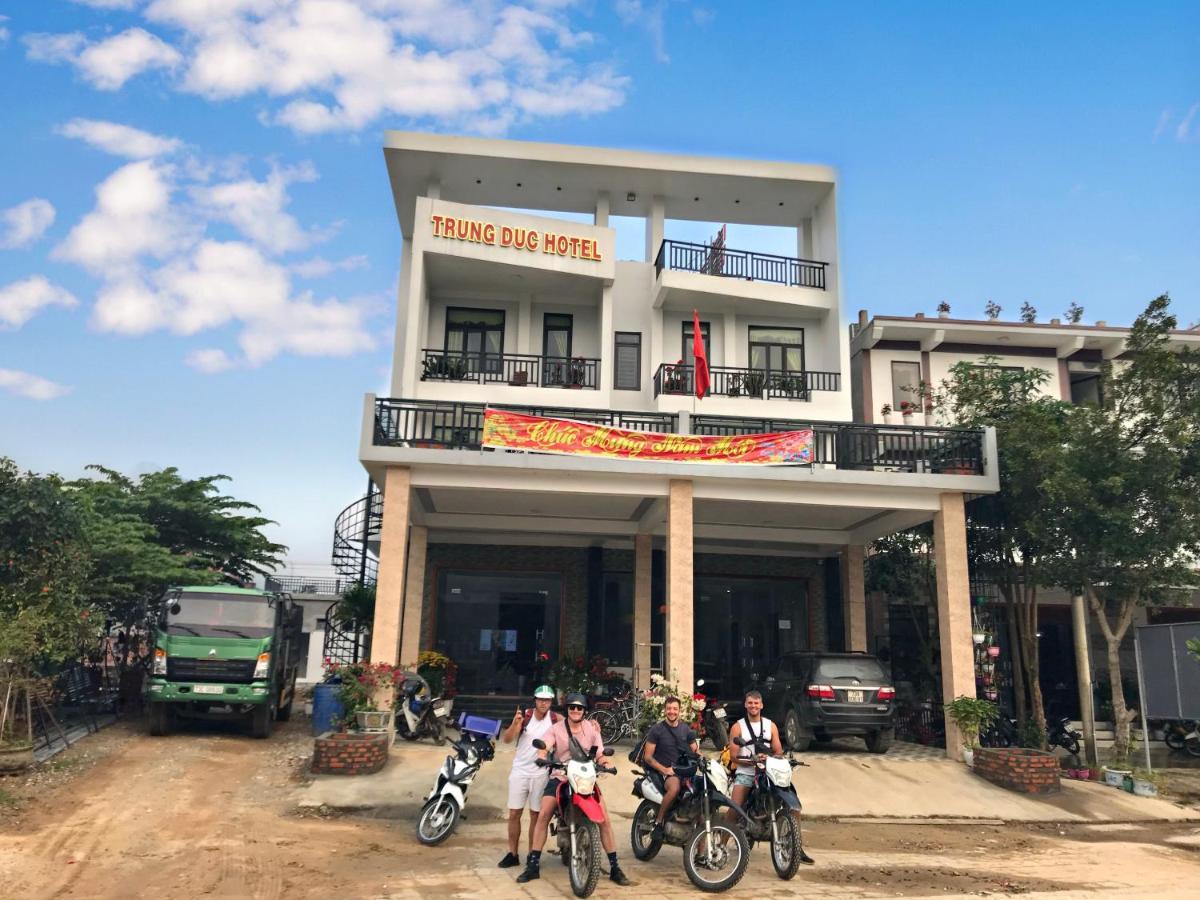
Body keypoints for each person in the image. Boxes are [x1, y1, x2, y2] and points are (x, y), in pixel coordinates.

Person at [515, 692, 632, 886]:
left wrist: (605, 762)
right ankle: (533, 864)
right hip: (560, 776)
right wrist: (542, 754)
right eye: (572, 707)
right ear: (567, 709)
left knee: (604, 820)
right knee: (543, 814)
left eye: (579, 707)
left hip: (585, 777)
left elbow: (600, 753)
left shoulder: (592, 729)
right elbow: (545, 745)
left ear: (584, 711)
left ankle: (615, 867)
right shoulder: (556, 728)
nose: (575, 710)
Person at [726, 689, 814, 864]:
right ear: (745, 704)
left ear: (761, 705)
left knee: (794, 807)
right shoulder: (738, 727)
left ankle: (796, 846)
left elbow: (778, 751)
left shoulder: (770, 725)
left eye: (756, 703)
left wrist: (771, 758)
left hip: (770, 771)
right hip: (747, 772)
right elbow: (734, 756)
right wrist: (751, 761)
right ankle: (719, 845)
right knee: (734, 808)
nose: (753, 706)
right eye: (750, 703)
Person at [497, 684, 559, 868]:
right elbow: (507, 740)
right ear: (535, 700)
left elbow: (573, 725)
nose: (543, 703)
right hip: (520, 770)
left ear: (551, 702)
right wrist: (515, 725)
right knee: (514, 813)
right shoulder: (525, 716)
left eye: (547, 700)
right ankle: (513, 853)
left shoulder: (555, 719)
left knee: (536, 816)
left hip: (541, 773)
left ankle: (533, 856)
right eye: (540, 699)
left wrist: (593, 727)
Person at [641, 695, 699, 842]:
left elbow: (696, 751)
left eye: (675, 709)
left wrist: (705, 761)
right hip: (666, 772)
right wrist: (664, 770)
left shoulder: (686, 729)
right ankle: (659, 822)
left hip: (684, 770)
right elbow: (648, 757)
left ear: (680, 711)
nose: (672, 712)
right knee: (674, 788)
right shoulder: (657, 730)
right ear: (664, 710)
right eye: (669, 709)